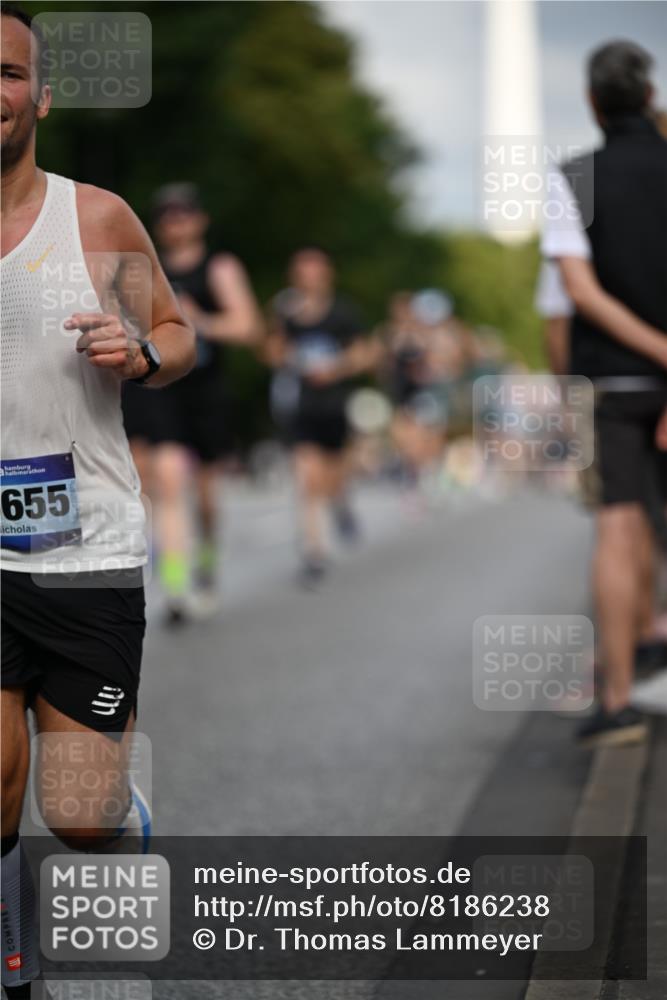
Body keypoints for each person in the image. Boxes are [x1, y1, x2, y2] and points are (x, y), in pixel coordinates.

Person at [0, 5, 195, 995]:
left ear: (41, 95)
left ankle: (120, 826)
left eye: (6, 73)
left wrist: (144, 350)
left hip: (86, 552)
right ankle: (13, 968)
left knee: (77, 815)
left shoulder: (96, 218)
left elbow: (177, 331)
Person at [541, 40, 667, 746]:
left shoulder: (573, 178)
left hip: (608, 381)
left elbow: (579, 293)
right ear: (649, 96)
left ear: (592, 103)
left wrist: (651, 349)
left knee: (617, 529)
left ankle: (616, 700)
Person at [122, 184, 262, 624]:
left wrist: (199, 322)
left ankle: (205, 561)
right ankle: (176, 589)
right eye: (166, 216)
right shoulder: (149, 270)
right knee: (166, 480)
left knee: (204, 498)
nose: (174, 223)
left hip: (205, 392)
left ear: (200, 220)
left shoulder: (219, 267)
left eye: (182, 214)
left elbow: (248, 327)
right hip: (162, 389)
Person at [265, 246, 371, 585]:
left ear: (327, 275)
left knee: (333, 477)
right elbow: (270, 352)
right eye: (303, 273)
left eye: (315, 273)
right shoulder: (285, 312)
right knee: (308, 477)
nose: (309, 279)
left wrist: (335, 368)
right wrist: (287, 350)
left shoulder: (343, 312)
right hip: (301, 406)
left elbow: (365, 353)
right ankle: (314, 551)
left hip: (334, 405)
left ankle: (340, 505)